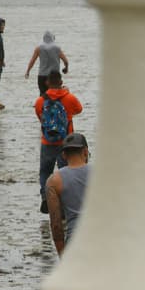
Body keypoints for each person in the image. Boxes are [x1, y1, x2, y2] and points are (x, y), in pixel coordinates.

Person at [34, 70, 83, 213]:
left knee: (45, 171)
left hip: (47, 141)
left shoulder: (40, 101)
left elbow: (40, 116)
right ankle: (64, 200)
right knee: (65, 172)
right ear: (61, 82)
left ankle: (45, 198)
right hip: (67, 143)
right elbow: (79, 109)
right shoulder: (69, 98)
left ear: (47, 83)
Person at [45, 132, 92, 255]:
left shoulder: (54, 181)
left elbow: (56, 226)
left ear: (64, 155)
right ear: (86, 152)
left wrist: (63, 257)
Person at [24, 31, 69, 96]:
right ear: (53, 38)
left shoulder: (38, 48)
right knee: (55, 95)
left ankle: (42, 105)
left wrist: (28, 71)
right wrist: (66, 68)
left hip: (42, 76)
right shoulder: (57, 48)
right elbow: (65, 61)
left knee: (43, 95)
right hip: (54, 77)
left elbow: (32, 61)